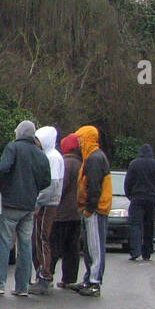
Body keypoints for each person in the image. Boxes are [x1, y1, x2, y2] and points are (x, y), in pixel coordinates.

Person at [0, 121, 51, 296]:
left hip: (11, 202)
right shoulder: (41, 154)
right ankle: (22, 286)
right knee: (25, 245)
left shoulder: (13, 148)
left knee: (5, 243)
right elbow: (46, 181)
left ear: (19, 133)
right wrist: (34, 190)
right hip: (29, 205)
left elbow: (3, 167)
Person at [73, 125, 111, 296]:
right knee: (89, 247)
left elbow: (94, 186)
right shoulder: (91, 157)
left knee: (95, 247)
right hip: (92, 209)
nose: (79, 143)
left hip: (95, 210)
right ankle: (89, 278)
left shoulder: (95, 159)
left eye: (81, 139)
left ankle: (94, 282)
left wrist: (89, 208)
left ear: (87, 139)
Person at [29, 126, 65, 294]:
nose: (36, 144)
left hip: (47, 204)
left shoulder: (53, 158)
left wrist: (37, 202)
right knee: (38, 238)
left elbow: (52, 186)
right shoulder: (48, 156)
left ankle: (45, 274)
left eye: (38, 141)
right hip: (47, 203)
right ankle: (41, 273)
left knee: (42, 239)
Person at [124, 144, 155, 262]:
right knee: (149, 225)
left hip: (137, 198)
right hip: (151, 199)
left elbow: (127, 182)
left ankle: (135, 251)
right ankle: (147, 252)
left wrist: (130, 196)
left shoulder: (134, 164)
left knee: (135, 225)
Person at [49, 133, 83, 287]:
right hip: (76, 213)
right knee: (72, 248)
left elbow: (60, 188)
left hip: (61, 214)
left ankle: (47, 275)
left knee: (54, 246)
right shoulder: (81, 164)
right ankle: (69, 278)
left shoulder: (66, 164)